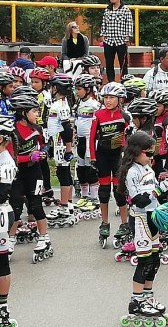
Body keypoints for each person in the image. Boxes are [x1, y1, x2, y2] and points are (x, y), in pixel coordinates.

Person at [117, 131, 168, 327]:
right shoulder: (132, 172)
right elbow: (139, 200)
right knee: (145, 262)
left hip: (153, 217)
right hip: (140, 219)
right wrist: (160, 189)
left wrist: (164, 186)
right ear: (136, 152)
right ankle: (136, 301)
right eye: (148, 154)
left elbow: (154, 194)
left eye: (153, 153)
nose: (151, 157)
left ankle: (148, 297)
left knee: (155, 260)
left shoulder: (147, 168)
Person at [7, 95, 53, 262]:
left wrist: (43, 152)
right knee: (15, 206)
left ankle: (44, 237)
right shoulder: (12, 131)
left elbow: (44, 145)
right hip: (18, 173)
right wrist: (29, 157)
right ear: (23, 113)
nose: (37, 114)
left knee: (35, 204)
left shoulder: (37, 128)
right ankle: (10, 239)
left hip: (35, 172)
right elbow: (11, 157)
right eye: (34, 111)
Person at [91, 82, 130, 246]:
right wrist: (93, 158)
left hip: (118, 156)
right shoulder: (98, 114)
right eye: (106, 97)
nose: (108, 101)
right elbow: (92, 138)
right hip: (102, 156)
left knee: (119, 191)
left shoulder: (125, 116)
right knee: (104, 191)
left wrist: (128, 158)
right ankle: (105, 223)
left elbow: (129, 138)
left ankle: (125, 223)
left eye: (111, 98)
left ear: (120, 99)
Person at [45, 74, 77, 227]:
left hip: (61, 142)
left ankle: (64, 206)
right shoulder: (60, 103)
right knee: (64, 172)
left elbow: (67, 128)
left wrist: (68, 148)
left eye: (52, 86)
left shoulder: (60, 105)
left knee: (62, 173)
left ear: (56, 88)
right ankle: (68, 203)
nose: (50, 89)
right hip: (57, 141)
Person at [73, 74, 102, 215]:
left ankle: (94, 198)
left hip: (90, 139)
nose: (76, 92)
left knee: (91, 169)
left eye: (79, 89)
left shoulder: (95, 104)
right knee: (81, 169)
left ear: (88, 89)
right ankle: (84, 196)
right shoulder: (79, 103)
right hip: (80, 139)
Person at [0, 115, 18, 327]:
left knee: (1, 262)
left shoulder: (6, 161)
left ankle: (2, 307)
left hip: (2, 213)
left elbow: (2, 193)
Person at [147, 89, 168, 204]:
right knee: (159, 193)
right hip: (157, 159)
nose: (154, 108)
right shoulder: (155, 117)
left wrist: (167, 168)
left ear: (166, 106)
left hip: (167, 159)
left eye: (158, 106)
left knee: (167, 193)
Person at [100, 0, 133, 82]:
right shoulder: (107, 10)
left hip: (121, 41)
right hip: (109, 41)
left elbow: (129, 24)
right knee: (109, 63)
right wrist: (102, 35)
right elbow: (104, 23)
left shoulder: (125, 9)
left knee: (123, 63)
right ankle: (111, 81)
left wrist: (127, 37)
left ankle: (124, 81)